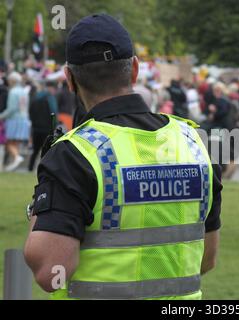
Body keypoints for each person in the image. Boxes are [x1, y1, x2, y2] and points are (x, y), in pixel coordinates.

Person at [24, 14, 222, 300]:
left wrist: (38, 206)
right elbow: (207, 259)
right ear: (135, 70)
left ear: (69, 79)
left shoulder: (74, 154)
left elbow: (51, 273)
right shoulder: (195, 143)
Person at [0, 72, 30, 172]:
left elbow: (11, 109)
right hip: (24, 119)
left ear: (12, 81)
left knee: (7, 141)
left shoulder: (13, 92)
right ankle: (14, 160)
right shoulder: (23, 91)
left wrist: (1, 116)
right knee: (14, 142)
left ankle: (16, 157)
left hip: (14, 120)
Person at [28, 81, 58, 172]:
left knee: (35, 150)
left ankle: (30, 168)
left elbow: (30, 111)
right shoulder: (50, 98)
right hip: (47, 129)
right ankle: (44, 170)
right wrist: (54, 126)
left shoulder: (35, 98)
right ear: (51, 88)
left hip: (36, 128)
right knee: (46, 151)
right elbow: (54, 113)